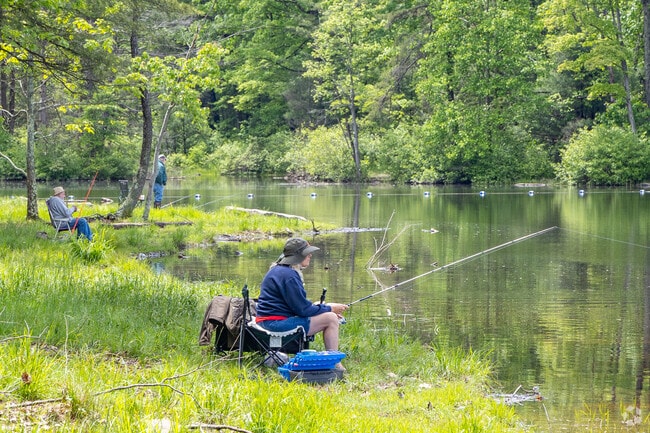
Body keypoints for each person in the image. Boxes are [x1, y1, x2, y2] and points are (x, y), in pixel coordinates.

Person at [255, 238, 349, 370]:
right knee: (331, 319)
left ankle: (333, 362)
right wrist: (330, 309)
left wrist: (319, 308)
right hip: (275, 324)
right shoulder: (290, 276)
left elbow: (295, 306)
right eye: (307, 253)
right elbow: (302, 310)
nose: (310, 255)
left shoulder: (277, 270)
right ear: (298, 256)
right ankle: (335, 364)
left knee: (327, 314)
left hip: (267, 321)